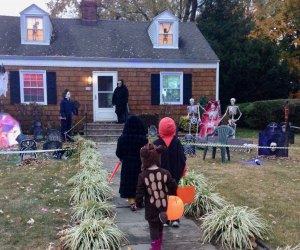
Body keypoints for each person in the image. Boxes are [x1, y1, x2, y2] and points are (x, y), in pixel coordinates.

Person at [136, 143, 177, 250]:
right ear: (157, 157)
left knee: (153, 226)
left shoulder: (142, 176)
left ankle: (155, 247)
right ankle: (159, 244)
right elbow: (173, 186)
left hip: (151, 207)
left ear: (144, 160)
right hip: (164, 205)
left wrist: (139, 204)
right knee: (160, 225)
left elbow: (139, 192)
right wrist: (173, 197)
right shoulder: (165, 173)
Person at [153, 117, 186, 227]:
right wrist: (182, 171)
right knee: (174, 196)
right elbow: (182, 158)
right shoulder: (177, 143)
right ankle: (175, 219)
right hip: (174, 175)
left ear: (160, 129)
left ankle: (164, 220)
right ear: (174, 129)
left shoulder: (156, 143)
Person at [116, 115, 148, 211]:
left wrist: (122, 158)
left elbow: (118, 152)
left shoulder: (122, 138)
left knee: (129, 183)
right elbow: (147, 153)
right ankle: (140, 200)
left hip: (127, 165)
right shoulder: (143, 139)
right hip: (140, 165)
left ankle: (132, 201)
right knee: (139, 183)